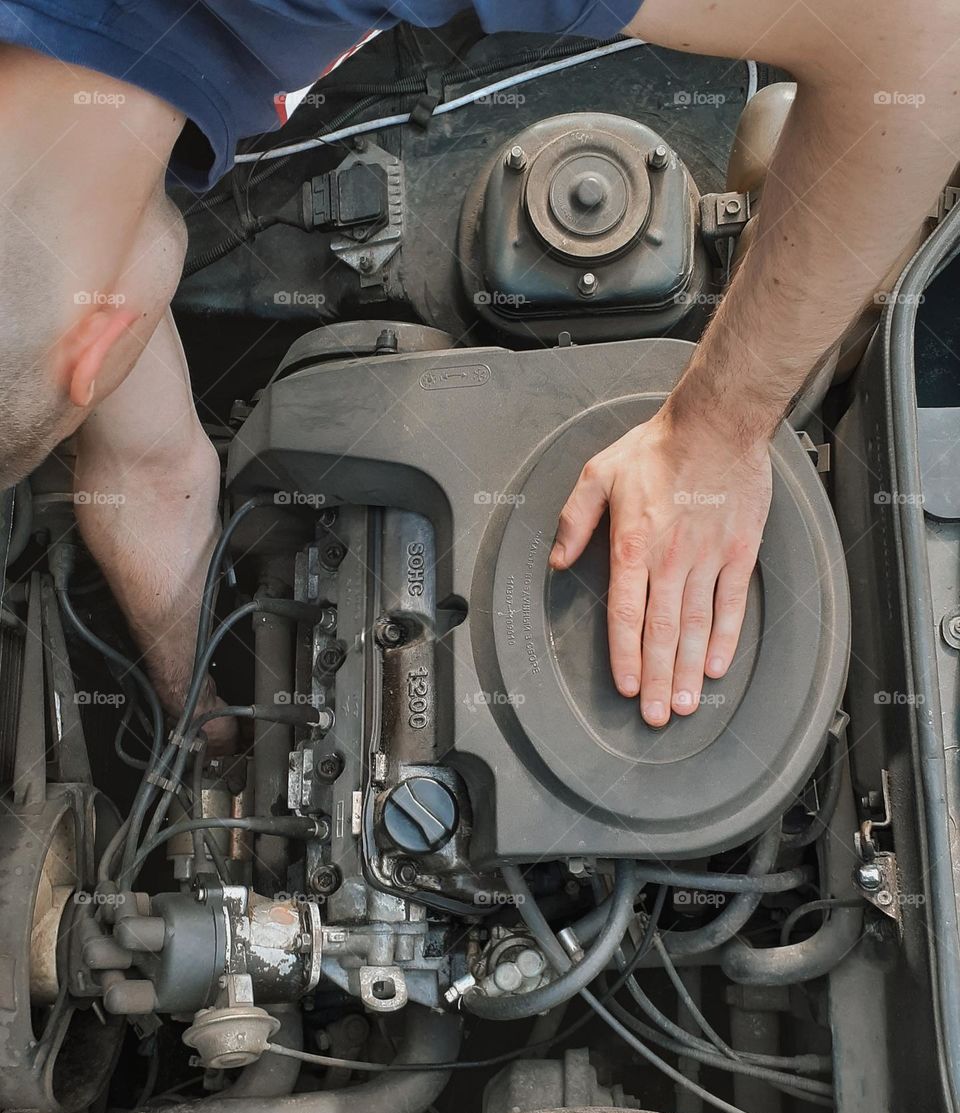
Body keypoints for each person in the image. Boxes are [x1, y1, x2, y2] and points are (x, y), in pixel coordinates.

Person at [0, 0, 955, 749]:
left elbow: (927, 48)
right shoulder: (48, 196)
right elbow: (147, 473)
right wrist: (203, 733)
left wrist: (718, 430)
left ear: (98, 347)